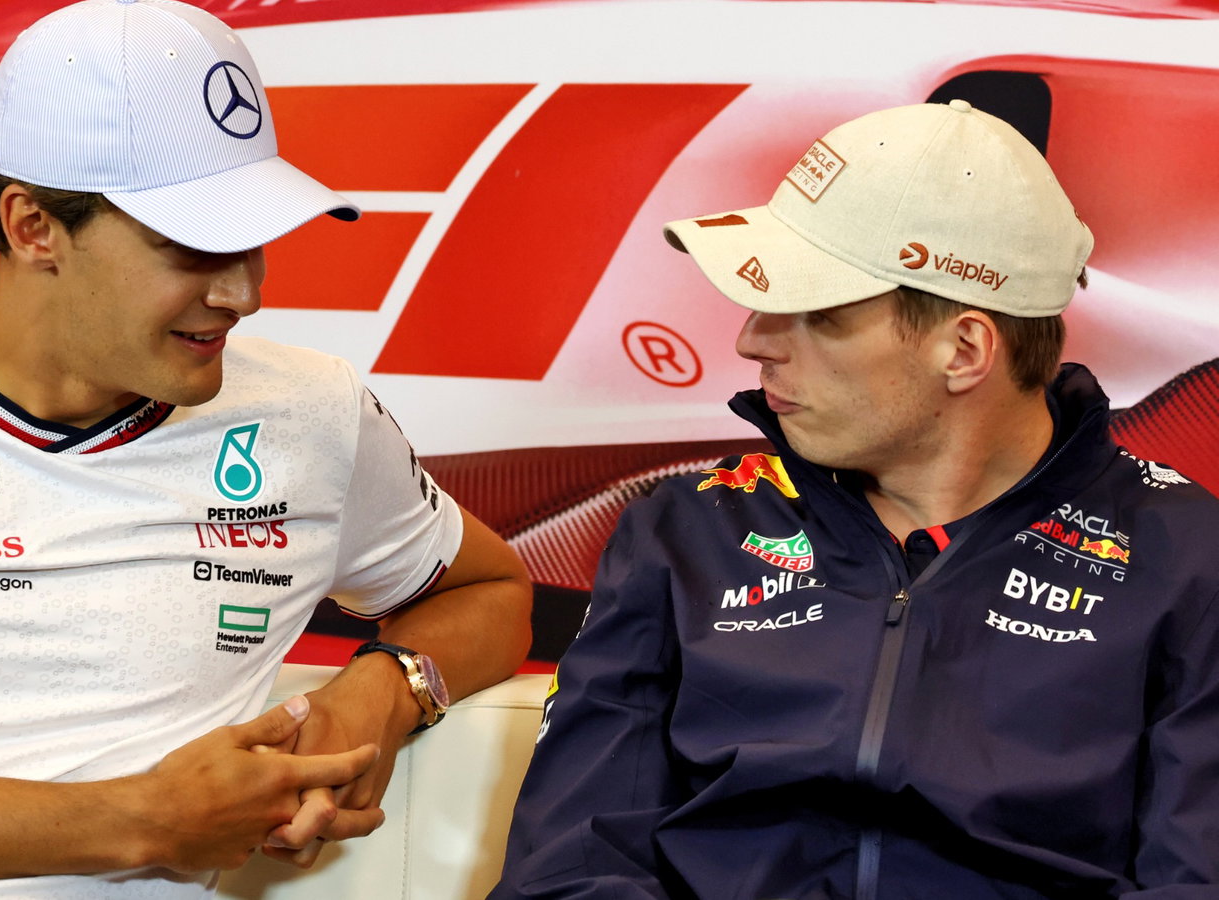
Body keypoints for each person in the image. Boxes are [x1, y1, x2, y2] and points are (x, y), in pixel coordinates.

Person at [0, 2, 532, 898]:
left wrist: (383, 693)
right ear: (33, 227)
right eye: (194, 247)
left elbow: (491, 594)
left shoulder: (313, 412)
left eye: (254, 239)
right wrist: (148, 818)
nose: (245, 292)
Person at [492, 100, 1219, 899]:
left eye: (821, 315)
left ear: (964, 349)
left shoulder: (1186, 558)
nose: (752, 341)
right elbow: (569, 866)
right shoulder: (687, 529)